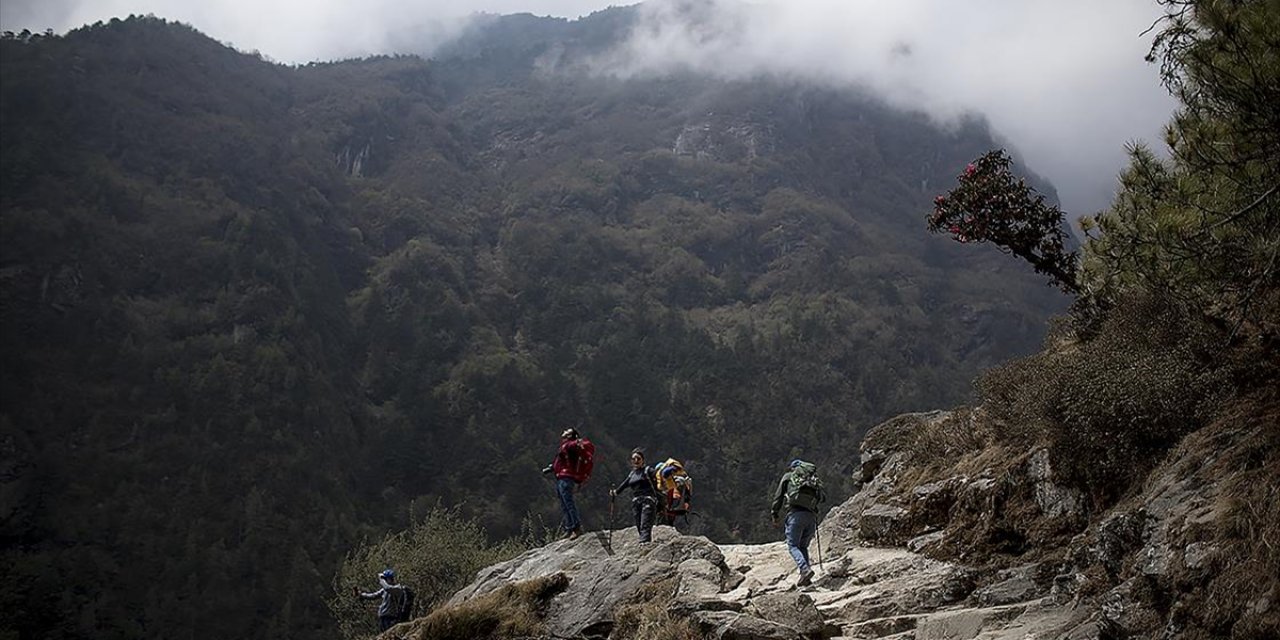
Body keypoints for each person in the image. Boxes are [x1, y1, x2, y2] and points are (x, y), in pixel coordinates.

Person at [770, 459, 826, 587]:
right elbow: (823, 498)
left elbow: (778, 497)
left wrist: (775, 514)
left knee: (793, 546)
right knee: (803, 546)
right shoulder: (812, 480)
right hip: (811, 517)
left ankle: (805, 569)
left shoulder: (788, 477)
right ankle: (805, 577)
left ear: (793, 468)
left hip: (795, 515)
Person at [542, 427, 590, 539]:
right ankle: (569, 527)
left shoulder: (569, 445)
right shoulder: (565, 446)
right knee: (564, 504)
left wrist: (577, 442)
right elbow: (560, 462)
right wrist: (551, 468)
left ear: (569, 435)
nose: (564, 431)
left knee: (568, 504)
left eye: (567, 431)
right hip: (561, 478)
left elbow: (574, 445)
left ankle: (576, 528)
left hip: (566, 479)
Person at [610, 448, 659, 542]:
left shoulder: (648, 471)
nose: (636, 461)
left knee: (645, 523)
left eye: (638, 458)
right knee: (639, 524)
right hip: (636, 502)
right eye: (634, 459)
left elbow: (658, 477)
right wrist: (615, 492)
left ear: (643, 460)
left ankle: (644, 543)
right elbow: (624, 485)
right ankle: (644, 542)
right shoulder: (632, 474)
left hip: (648, 500)